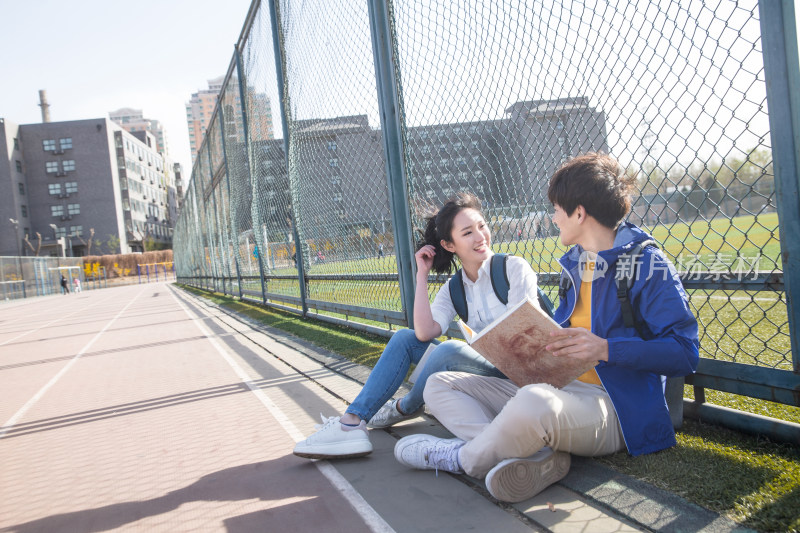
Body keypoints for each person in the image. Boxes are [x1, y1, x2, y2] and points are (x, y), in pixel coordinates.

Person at [393, 153, 699, 502]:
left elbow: (685, 354)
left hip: (614, 408)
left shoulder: (647, 264)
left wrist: (604, 349)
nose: (553, 218)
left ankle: (462, 458)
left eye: (556, 209)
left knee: (532, 401)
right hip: (559, 388)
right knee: (437, 385)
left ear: (579, 213)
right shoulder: (575, 264)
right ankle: (534, 453)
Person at [293, 192, 541, 459]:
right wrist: (421, 274)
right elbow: (424, 332)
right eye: (468, 232)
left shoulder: (513, 268)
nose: (481, 236)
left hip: (522, 375)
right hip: (485, 373)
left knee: (449, 351)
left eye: (482, 226)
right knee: (404, 339)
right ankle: (351, 423)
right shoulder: (454, 289)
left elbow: (527, 335)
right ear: (449, 245)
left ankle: (405, 406)